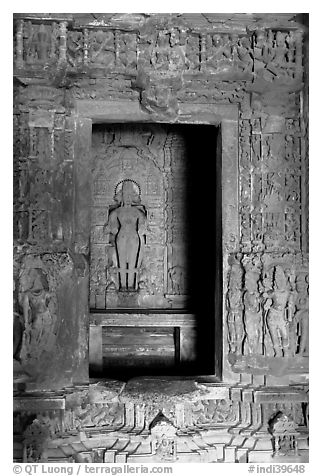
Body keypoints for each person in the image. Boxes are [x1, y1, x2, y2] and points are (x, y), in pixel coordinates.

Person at [104, 180, 147, 290]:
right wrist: (112, 229)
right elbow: (108, 228)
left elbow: (144, 227)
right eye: (125, 195)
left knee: (133, 263)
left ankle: (132, 286)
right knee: (121, 263)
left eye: (129, 195)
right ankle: (122, 286)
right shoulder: (117, 212)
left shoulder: (137, 212)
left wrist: (142, 229)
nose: (127, 198)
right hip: (121, 238)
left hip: (134, 239)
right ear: (121, 196)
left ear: (133, 196)